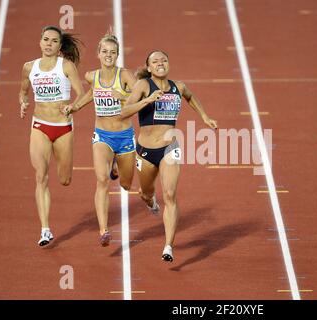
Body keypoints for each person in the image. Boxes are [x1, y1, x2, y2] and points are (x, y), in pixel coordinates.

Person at [121, 50, 218, 262]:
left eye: (164, 60)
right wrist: (147, 101)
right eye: (155, 61)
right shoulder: (143, 86)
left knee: (171, 194)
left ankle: (168, 246)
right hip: (146, 152)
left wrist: (205, 117)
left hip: (169, 148)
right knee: (145, 193)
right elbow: (124, 112)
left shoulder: (178, 87)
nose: (160, 63)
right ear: (149, 68)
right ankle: (150, 201)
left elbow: (191, 97)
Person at [62, 30, 137, 246]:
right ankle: (103, 229)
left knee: (125, 183)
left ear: (118, 54)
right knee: (102, 180)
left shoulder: (124, 76)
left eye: (113, 52)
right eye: (105, 51)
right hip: (102, 135)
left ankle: (117, 166)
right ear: (98, 53)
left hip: (124, 136)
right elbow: (92, 93)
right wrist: (73, 107)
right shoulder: (91, 76)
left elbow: (138, 95)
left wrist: (121, 96)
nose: (108, 55)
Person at [19, 25, 84, 246]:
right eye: (45, 39)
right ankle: (45, 229)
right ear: (40, 42)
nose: (49, 44)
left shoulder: (66, 66)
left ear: (60, 46)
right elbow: (23, 89)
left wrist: (73, 107)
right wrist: (23, 101)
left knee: (64, 180)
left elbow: (81, 93)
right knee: (41, 176)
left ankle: (63, 173)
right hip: (40, 126)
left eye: (54, 41)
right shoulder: (29, 67)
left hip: (63, 127)